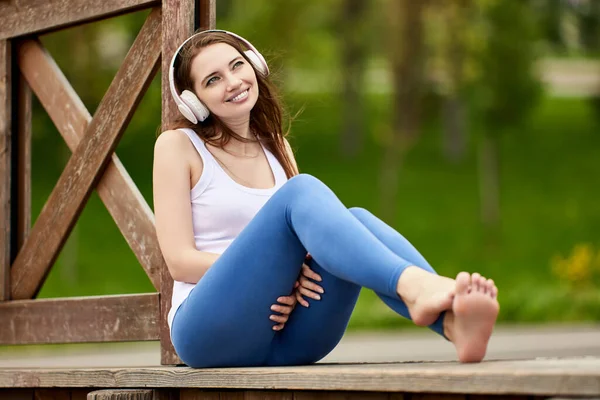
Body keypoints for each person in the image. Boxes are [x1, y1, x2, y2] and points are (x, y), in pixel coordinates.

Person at [153, 30, 499, 369]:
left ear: (255, 66)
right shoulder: (178, 146)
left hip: (288, 338)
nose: (233, 81)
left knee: (358, 219)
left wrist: (290, 274)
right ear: (193, 101)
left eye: (237, 65)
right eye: (213, 79)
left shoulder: (276, 146)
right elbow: (180, 262)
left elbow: (308, 241)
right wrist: (277, 276)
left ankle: (453, 325)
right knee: (301, 190)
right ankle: (416, 285)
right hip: (210, 332)